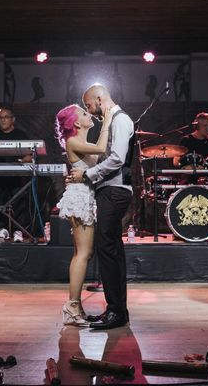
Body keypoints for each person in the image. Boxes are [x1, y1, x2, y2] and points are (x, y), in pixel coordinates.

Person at [70, 84, 134, 330]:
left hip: (115, 190)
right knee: (112, 250)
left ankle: (116, 311)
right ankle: (117, 310)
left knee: (107, 248)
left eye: (88, 105)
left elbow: (117, 158)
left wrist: (87, 175)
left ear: (99, 99)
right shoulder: (114, 120)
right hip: (111, 190)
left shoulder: (120, 119)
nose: (89, 110)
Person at [54, 104, 112, 326]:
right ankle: (72, 306)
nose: (91, 115)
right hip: (79, 197)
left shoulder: (81, 143)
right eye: (85, 113)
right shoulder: (73, 142)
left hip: (83, 195)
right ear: (77, 123)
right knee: (83, 253)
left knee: (82, 252)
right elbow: (102, 148)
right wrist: (106, 122)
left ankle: (74, 306)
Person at [0, 106, 33, 237]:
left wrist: (22, 161)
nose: (3, 120)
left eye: (6, 117)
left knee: (19, 198)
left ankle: (18, 230)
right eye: (0, 118)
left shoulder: (21, 135)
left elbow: (30, 156)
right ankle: (1, 229)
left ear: (13, 119)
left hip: (17, 176)